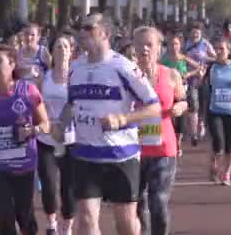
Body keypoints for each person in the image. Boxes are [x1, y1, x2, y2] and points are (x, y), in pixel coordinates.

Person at [66, 13, 161, 235]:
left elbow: (153, 106)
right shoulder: (75, 68)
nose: (83, 33)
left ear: (105, 34)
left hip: (121, 155)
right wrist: (60, 124)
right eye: (82, 28)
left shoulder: (123, 67)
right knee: (87, 220)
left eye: (90, 28)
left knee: (125, 223)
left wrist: (123, 119)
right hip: (85, 155)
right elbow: (71, 105)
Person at [0, 45, 51, 235]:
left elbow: (46, 124)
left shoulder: (28, 91)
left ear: (12, 64)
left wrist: (33, 130)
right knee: (5, 214)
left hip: (24, 163)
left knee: (24, 216)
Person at [133, 26, 187, 235]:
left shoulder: (171, 74)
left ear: (158, 49)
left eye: (149, 45)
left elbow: (182, 100)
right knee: (136, 204)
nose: (144, 49)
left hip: (164, 149)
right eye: (140, 45)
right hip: (133, 150)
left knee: (158, 202)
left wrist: (180, 107)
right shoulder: (126, 76)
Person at [37, 36, 76, 235]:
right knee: (49, 185)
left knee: (68, 189)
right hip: (46, 140)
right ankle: (51, 224)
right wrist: (44, 123)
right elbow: (36, 104)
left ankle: (66, 228)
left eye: (65, 46)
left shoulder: (77, 77)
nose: (62, 49)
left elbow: (80, 106)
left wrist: (65, 123)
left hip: (71, 141)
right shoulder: (44, 77)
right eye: (58, 45)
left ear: (71, 51)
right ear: (52, 52)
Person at [201, 37, 231, 185]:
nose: (219, 51)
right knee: (218, 144)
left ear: (229, 52)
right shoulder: (212, 67)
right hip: (215, 111)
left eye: (222, 49)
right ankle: (213, 167)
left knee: (230, 146)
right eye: (217, 49)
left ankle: (226, 174)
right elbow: (203, 86)